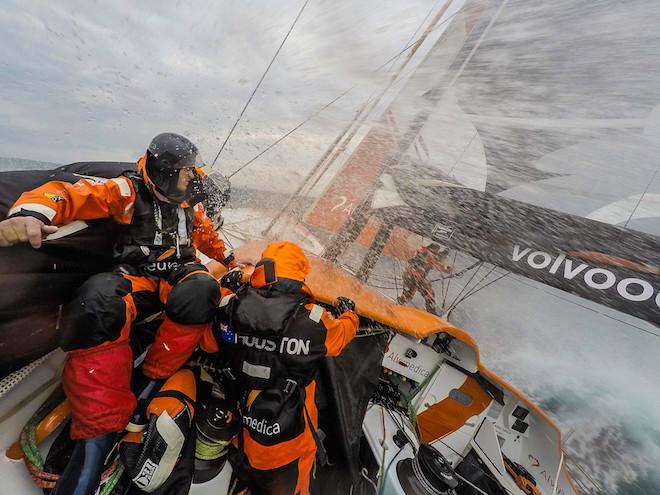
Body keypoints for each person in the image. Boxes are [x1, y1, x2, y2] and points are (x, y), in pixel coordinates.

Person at [0, 133, 236, 495]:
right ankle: (99, 423)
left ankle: (153, 374)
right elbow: (64, 194)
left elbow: (206, 237)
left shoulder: (191, 207)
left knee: (202, 289)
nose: (193, 179)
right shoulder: (126, 192)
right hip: (137, 276)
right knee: (96, 304)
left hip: (178, 276)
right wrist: (30, 212)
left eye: (193, 172)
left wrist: (232, 262)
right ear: (163, 173)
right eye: (186, 173)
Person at [204, 241, 359, 495]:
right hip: (290, 443)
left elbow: (209, 343)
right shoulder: (312, 321)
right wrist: (350, 315)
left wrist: (226, 290)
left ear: (262, 270)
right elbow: (339, 339)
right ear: (298, 276)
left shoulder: (229, 307)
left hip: (241, 431)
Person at [397, 243, 451, 315]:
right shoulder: (429, 255)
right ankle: (432, 314)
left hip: (408, 274)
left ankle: (399, 305)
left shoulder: (422, 251)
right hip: (417, 278)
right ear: (433, 249)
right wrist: (447, 252)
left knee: (408, 294)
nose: (437, 251)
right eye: (436, 250)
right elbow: (438, 260)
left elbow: (436, 259)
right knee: (429, 294)